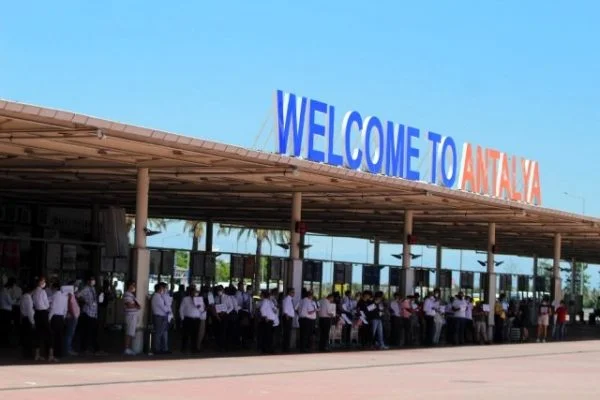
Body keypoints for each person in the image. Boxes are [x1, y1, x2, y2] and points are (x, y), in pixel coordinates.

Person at [78, 275, 101, 355]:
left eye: (94, 280)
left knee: (94, 331)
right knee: (87, 332)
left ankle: (95, 349)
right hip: (87, 313)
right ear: (88, 281)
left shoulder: (93, 288)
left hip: (94, 313)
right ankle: (85, 348)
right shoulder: (85, 289)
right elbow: (78, 295)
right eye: (91, 280)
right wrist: (84, 301)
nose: (93, 281)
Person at [32, 276, 53, 361]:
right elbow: (47, 305)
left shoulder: (34, 292)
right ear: (40, 282)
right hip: (43, 313)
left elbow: (34, 303)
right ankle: (50, 355)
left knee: (38, 334)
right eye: (43, 281)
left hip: (37, 313)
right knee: (49, 333)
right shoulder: (43, 292)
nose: (44, 283)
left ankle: (37, 355)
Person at [49, 282, 68, 360]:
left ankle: (53, 353)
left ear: (55, 288)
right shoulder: (65, 296)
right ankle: (60, 353)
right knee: (60, 336)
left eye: (52, 288)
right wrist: (64, 317)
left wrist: (49, 318)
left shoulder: (54, 296)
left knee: (53, 336)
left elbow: (52, 308)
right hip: (61, 317)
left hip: (54, 317)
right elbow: (65, 309)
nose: (51, 290)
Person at [179, 286, 201, 354]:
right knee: (186, 334)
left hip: (196, 319)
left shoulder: (199, 299)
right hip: (188, 319)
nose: (195, 293)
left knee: (195, 334)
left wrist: (200, 307)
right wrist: (182, 318)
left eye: (196, 292)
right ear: (190, 292)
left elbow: (202, 309)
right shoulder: (185, 299)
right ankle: (184, 348)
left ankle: (194, 348)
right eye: (193, 292)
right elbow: (181, 309)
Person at [151, 283, 171, 354]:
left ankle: (164, 348)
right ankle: (157, 349)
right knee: (159, 333)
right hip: (159, 317)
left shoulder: (160, 296)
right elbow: (163, 307)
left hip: (163, 317)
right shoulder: (157, 297)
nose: (164, 290)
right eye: (163, 288)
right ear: (159, 289)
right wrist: (168, 311)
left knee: (164, 333)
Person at [123, 281, 141, 356]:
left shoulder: (131, 295)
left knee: (131, 332)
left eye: (134, 285)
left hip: (133, 315)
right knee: (129, 332)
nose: (134, 287)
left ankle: (128, 348)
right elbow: (129, 305)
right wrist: (137, 306)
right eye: (133, 285)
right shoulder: (127, 294)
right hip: (130, 316)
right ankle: (126, 348)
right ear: (129, 286)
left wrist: (137, 306)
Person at [20, 284, 36, 359]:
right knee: (29, 337)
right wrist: (32, 322)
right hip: (28, 319)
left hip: (24, 318)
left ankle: (26, 353)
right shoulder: (28, 298)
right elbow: (30, 311)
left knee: (25, 337)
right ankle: (28, 354)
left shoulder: (23, 296)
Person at [64, 282, 80, 356]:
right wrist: (74, 315)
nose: (76, 287)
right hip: (72, 317)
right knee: (69, 334)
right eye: (74, 286)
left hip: (73, 316)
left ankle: (68, 349)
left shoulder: (72, 294)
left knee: (70, 334)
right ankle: (68, 350)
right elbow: (70, 306)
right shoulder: (70, 295)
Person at [281, 288, 295, 353]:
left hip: (289, 317)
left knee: (288, 333)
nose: (294, 293)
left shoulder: (290, 299)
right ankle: (285, 348)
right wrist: (287, 316)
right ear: (289, 292)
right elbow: (285, 308)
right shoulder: (287, 299)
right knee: (286, 333)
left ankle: (286, 347)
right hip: (287, 317)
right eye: (293, 292)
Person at [0, 282, 13, 347]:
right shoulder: (6, 293)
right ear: (9, 287)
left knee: (3, 326)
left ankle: (2, 340)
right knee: (7, 326)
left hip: (2, 310)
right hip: (7, 311)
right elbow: (10, 302)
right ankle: (6, 342)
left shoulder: (1, 292)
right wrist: (16, 300)